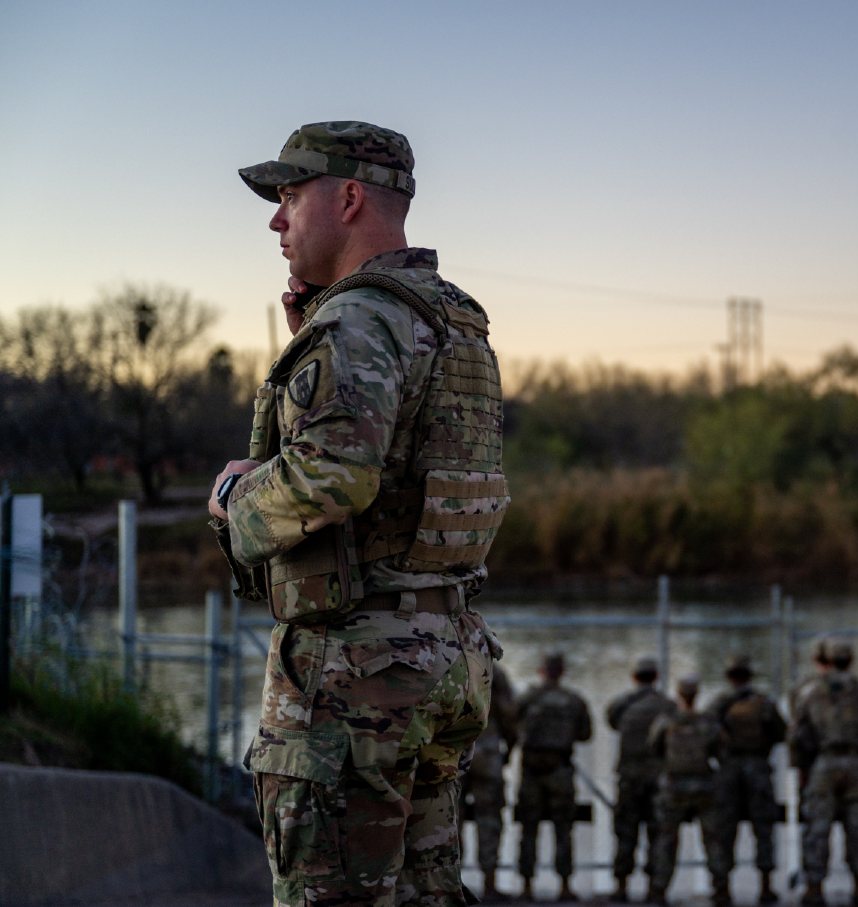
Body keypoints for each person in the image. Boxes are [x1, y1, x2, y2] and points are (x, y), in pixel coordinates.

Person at [213, 120, 508, 907]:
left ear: (347, 198)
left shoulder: (360, 320)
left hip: (356, 675)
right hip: (444, 652)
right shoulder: (454, 317)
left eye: (289, 196)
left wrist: (233, 498)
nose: (277, 220)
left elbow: (333, 477)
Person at [789, 640, 858, 907]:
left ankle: (814, 887)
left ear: (828, 661)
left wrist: (801, 770)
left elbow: (796, 736)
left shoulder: (810, 692)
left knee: (817, 828)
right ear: (851, 660)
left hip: (824, 763)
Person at [706, 654, 788, 904]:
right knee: (763, 828)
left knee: (724, 830)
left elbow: (706, 736)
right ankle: (765, 885)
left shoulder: (718, 703)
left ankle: (722, 887)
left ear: (729, 677)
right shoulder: (764, 703)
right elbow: (781, 733)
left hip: (728, 769)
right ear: (749, 676)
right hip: (758, 768)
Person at [515, 652, 594, 901]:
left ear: (541, 671)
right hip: (560, 770)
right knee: (563, 829)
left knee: (529, 829)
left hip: (531, 770)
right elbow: (585, 734)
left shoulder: (527, 698)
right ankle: (565, 885)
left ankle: (526, 886)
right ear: (562, 672)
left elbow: (510, 724)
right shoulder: (574, 700)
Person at [648, 674, 731, 905]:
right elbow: (722, 753)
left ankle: (659, 889)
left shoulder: (666, 721)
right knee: (713, 839)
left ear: (678, 694)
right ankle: (721, 888)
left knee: (666, 839)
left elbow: (654, 749)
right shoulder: (709, 722)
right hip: (705, 786)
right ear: (697, 694)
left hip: (673, 786)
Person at [606, 656, 677, 902]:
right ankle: (655, 888)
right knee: (657, 833)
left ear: (634, 677)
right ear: (655, 677)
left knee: (625, 832)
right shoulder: (668, 705)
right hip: (658, 778)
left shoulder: (622, 704)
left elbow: (611, 721)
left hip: (629, 778)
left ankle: (621, 886)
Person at [465, 664, 519, 899]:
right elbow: (508, 714)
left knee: (445, 819)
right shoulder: (491, 668)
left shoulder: (443, 658)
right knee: (489, 819)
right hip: (487, 752)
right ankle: (489, 884)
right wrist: (510, 746)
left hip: (448, 753)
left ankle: (448, 884)